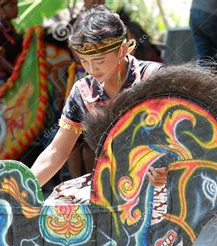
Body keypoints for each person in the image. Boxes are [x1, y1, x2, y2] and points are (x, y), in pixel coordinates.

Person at [30, 5, 167, 204]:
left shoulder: (153, 78)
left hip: (160, 185)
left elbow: (186, 136)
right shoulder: (83, 91)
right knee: (57, 211)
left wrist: (168, 167)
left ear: (121, 50)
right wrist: (23, 188)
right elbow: (56, 152)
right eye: (84, 61)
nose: (92, 69)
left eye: (100, 60)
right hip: (112, 184)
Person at [0, 0, 22, 91]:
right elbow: (1, 59)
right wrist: (19, 75)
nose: (16, 8)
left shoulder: (11, 30)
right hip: (4, 82)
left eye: (16, 4)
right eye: (11, 5)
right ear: (0, 9)